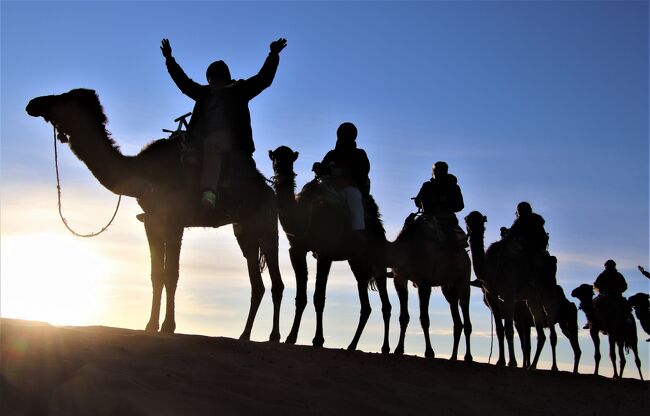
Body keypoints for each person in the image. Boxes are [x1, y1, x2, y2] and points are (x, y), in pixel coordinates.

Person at [160, 37, 287, 208]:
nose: (212, 82)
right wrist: (169, 59)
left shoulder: (239, 90)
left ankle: (209, 193)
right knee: (173, 147)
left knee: (212, 144)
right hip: (199, 139)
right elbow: (184, 83)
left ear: (224, 78)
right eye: (210, 79)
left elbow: (263, 79)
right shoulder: (204, 93)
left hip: (230, 141)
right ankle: (162, 203)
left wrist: (273, 55)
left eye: (215, 78)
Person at [314, 122, 370, 234]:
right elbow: (322, 170)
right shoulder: (331, 154)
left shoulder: (359, 154)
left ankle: (358, 232)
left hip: (350, 187)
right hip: (330, 187)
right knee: (311, 194)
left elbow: (364, 171)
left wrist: (344, 173)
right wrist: (319, 168)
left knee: (354, 198)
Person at [413, 161, 465, 250]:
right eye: (435, 170)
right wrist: (422, 202)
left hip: (446, 218)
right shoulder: (427, 185)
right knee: (410, 226)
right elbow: (418, 201)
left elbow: (460, 205)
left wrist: (444, 204)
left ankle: (453, 257)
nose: (436, 173)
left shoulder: (453, 187)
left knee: (450, 238)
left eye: (439, 171)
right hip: (427, 217)